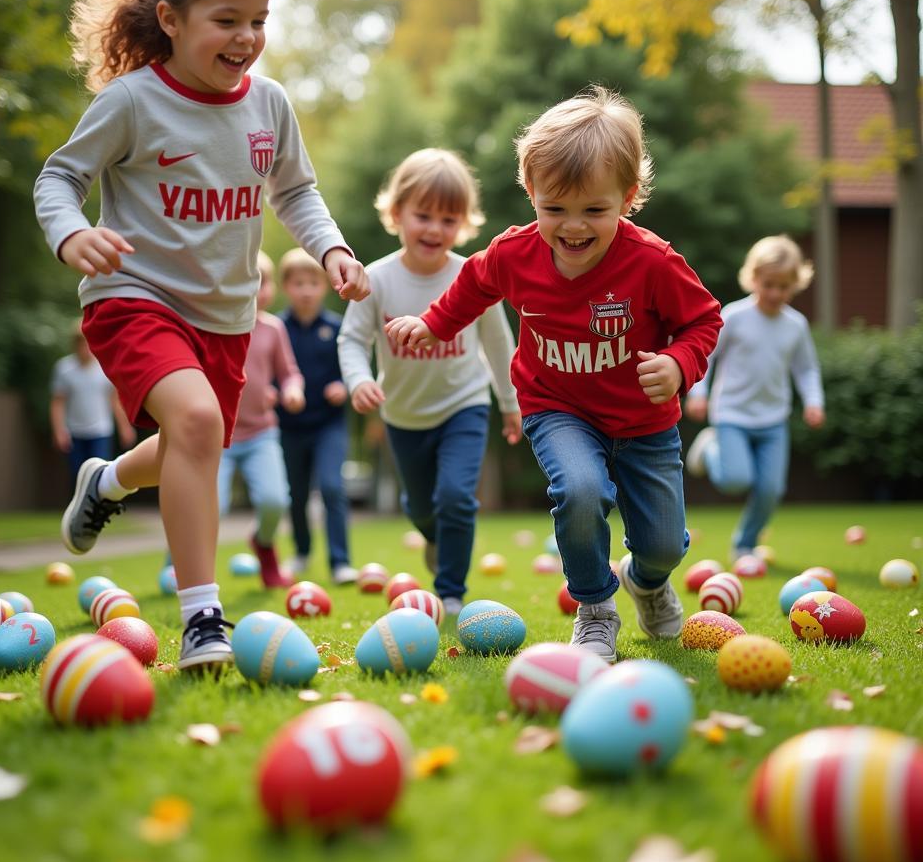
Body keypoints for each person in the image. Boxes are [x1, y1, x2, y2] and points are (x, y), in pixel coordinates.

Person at [34, 0, 369, 671]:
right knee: (196, 421)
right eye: (227, 21)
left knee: (198, 437)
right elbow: (59, 178)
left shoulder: (269, 105)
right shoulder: (133, 102)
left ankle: (109, 479)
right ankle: (202, 618)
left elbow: (298, 193)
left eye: (259, 21)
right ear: (171, 19)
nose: (247, 37)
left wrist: (334, 249)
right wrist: (70, 235)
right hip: (134, 296)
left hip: (224, 317)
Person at [386, 87, 722, 662]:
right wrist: (434, 324)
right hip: (556, 406)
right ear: (531, 192)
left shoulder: (652, 262)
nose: (572, 227)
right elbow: (472, 288)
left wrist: (678, 363)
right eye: (554, 209)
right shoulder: (512, 253)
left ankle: (646, 580)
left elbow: (704, 321)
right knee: (580, 490)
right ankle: (595, 609)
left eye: (594, 210)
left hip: (644, 421)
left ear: (628, 197)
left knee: (664, 544)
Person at [338, 149, 521, 617]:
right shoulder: (376, 279)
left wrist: (510, 403)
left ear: (464, 223)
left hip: (465, 404)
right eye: (423, 216)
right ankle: (436, 535)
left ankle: (452, 591)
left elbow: (499, 345)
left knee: (457, 496)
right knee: (422, 508)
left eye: (449, 219)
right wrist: (359, 380)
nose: (435, 230)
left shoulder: (472, 277)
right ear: (397, 213)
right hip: (402, 414)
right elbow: (352, 340)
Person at [684, 235, 825, 560]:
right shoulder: (734, 316)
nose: (776, 293)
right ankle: (710, 449)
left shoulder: (795, 325)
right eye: (769, 284)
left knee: (771, 490)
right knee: (735, 479)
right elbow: (707, 355)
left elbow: (806, 369)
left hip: (773, 419)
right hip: (732, 414)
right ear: (753, 278)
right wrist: (698, 392)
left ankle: (745, 544)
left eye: (784, 286)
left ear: (796, 284)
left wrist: (814, 402)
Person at [217, 251, 305, 588]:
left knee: (274, 501)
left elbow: (289, 373)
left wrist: (291, 390)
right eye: (248, 280)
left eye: (263, 281)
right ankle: (178, 563)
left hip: (261, 434)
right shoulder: (217, 323)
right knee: (212, 507)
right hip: (217, 436)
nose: (257, 288)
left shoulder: (273, 328)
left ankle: (264, 545)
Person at [277, 248, 359, 585]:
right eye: (299, 283)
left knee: (331, 486)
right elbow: (268, 370)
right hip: (289, 426)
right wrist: (274, 391)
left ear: (325, 285)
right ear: (286, 287)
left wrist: (344, 385)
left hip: (329, 424)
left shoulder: (337, 328)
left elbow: (352, 367)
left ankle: (340, 561)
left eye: (313, 282)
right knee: (295, 493)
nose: (306, 290)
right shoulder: (277, 329)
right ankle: (301, 552)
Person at [50, 322, 137, 479]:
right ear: (76, 345)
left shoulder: (104, 367)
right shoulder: (64, 368)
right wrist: (59, 430)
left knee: (100, 473)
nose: (87, 349)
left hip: (101, 431)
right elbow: (58, 402)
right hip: (75, 432)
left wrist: (125, 427)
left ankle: (100, 504)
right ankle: (82, 504)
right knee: (78, 474)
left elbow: (114, 400)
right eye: (83, 344)